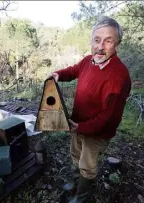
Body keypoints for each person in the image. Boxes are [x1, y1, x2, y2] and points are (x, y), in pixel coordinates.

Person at [49, 16, 131, 203]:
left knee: (87, 164)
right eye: (97, 40)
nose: (100, 46)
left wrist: (82, 128)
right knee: (75, 154)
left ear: (116, 44)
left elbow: (109, 119)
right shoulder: (88, 61)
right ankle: (74, 183)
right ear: (91, 41)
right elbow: (74, 70)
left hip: (97, 132)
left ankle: (81, 197)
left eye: (108, 41)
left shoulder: (119, 77)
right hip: (78, 123)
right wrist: (58, 74)